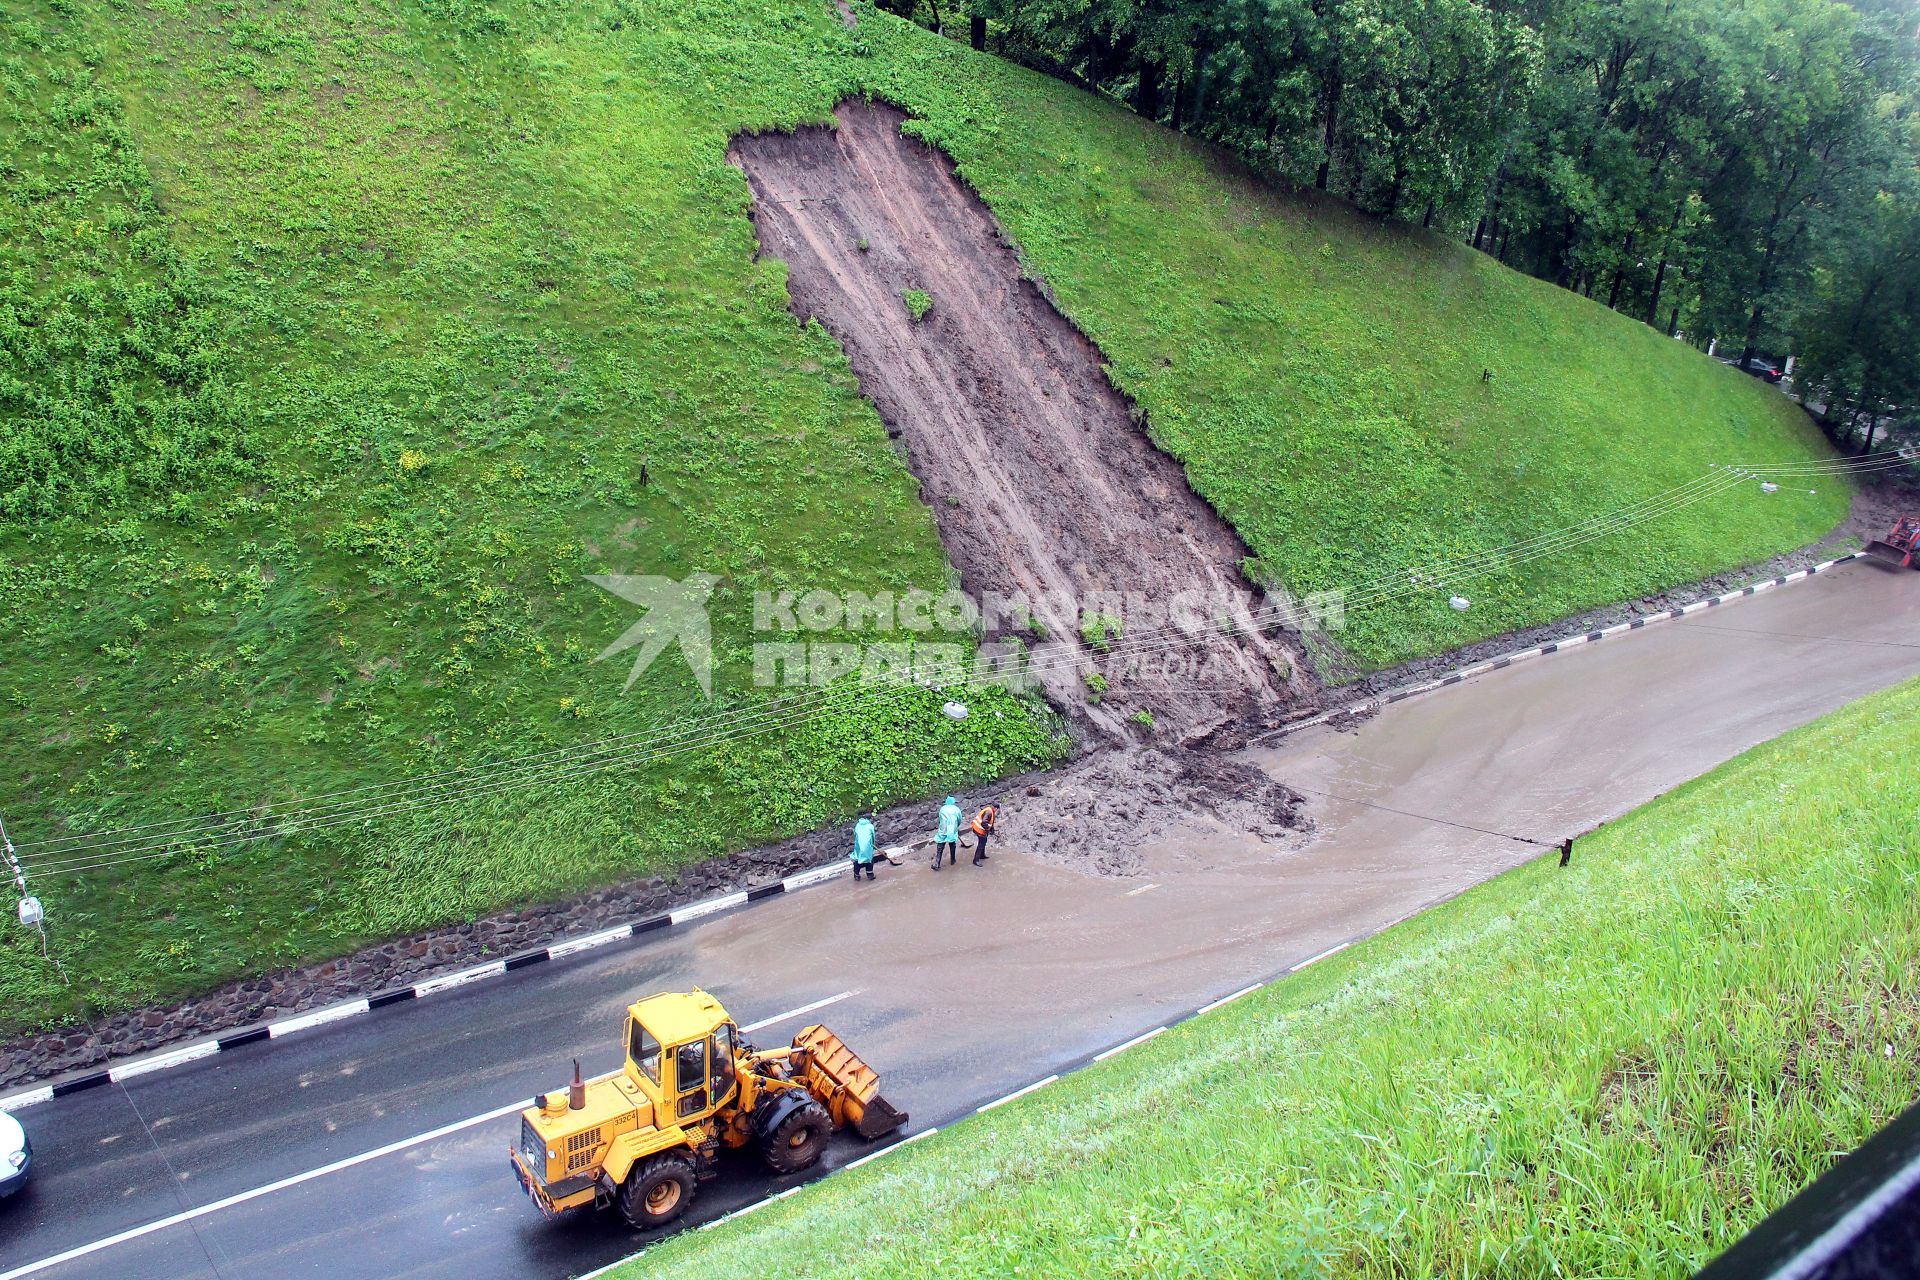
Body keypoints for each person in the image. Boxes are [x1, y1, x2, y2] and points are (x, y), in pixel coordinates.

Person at [932, 796, 962, 870]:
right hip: (952, 829)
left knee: (940, 845)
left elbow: (940, 819)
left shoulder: (942, 809)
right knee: (952, 844)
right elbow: (959, 819)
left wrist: (941, 826)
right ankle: (953, 860)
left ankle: (937, 863)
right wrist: (956, 827)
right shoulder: (956, 809)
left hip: (943, 828)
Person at [849, 815, 878, 883]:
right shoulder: (870, 826)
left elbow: (855, 835)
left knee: (857, 859)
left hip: (859, 846)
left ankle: (856, 875)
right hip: (867, 846)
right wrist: (872, 844)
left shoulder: (857, 826)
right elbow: (873, 836)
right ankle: (870, 875)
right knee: (869, 859)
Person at [970, 801, 999, 865]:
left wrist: (992, 829)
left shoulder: (990, 810)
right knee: (981, 843)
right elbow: (984, 822)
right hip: (978, 829)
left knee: (984, 841)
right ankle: (976, 860)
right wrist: (988, 829)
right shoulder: (989, 812)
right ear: (996, 808)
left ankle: (982, 855)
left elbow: (990, 822)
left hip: (979, 828)